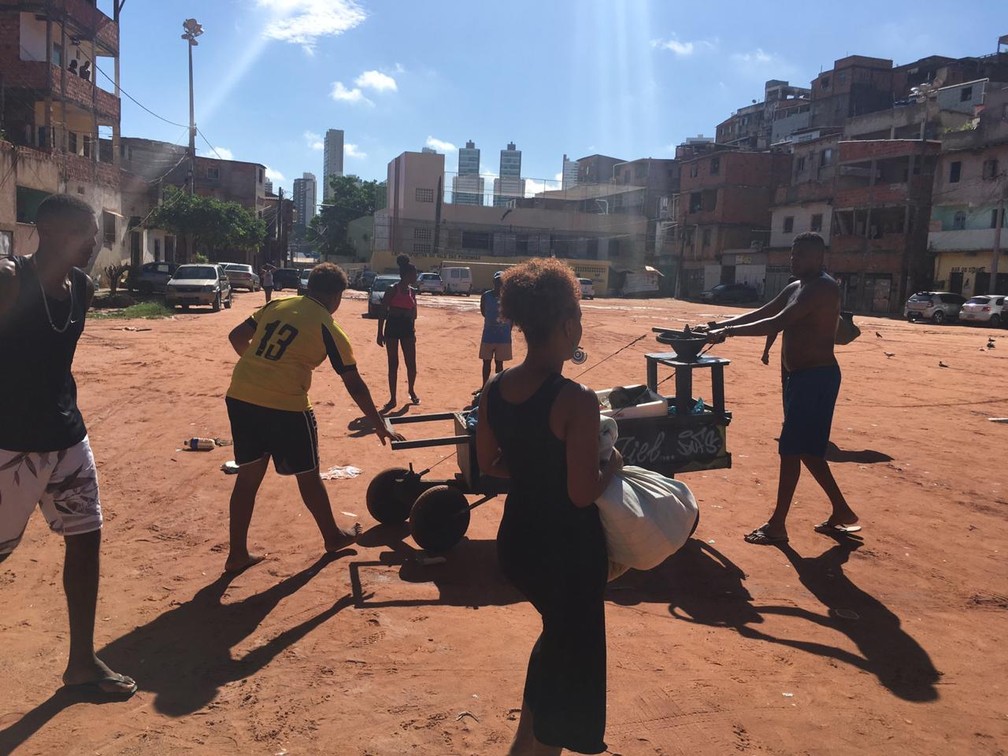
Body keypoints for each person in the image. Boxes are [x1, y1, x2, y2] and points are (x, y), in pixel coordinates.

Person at [476, 258, 623, 755]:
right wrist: (615, 468)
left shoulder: (494, 389)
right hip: (567, 553)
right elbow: (582, 493)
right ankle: (535, 747)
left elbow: (490, 464)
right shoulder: (576, 399)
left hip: (519, 543)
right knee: (569, 657)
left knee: (556, 638)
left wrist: (538, 470)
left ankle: (526, 741)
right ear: (567, 324)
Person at [0, 194, 136, 696]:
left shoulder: (81, 287)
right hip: (8, 443)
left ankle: (81, 661)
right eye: (85, 231)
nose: (95, 241)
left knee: (86, 537)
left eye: (96, 232)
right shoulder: (10, 279)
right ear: (49, 231)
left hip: (66, 437)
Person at [224, 263, 399, 573]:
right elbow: (353, 382)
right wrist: (377, 422)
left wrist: (259, 367)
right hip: (286, 407)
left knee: (248, 478)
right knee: (308, 474)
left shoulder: (278, 304)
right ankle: (332, 536)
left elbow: (237, 336)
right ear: (336, 296)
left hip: (241, 395)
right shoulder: (327, 326)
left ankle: (237, 553)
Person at [703, 233, 859, 545]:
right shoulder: (796, 286)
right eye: (792, 255)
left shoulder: (823, 287)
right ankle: (842, 511)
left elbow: (779, 320)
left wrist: (729, 332)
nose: (794, 260)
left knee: (791, 448)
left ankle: (778, 524)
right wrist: (719, 326)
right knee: (807, 450)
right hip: (797, 378)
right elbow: (763, 311)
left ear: (818, 258)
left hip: (816, 378)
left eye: (801, 255)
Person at [376, 254, 420, 410]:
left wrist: (412, 327)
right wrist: (379, 333)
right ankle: (393, 398)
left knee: (411, 364)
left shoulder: (412, 291)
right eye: (414, 274)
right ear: (407, 275)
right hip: (393, 327)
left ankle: (411, 391)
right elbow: (383, 311)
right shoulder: (392, 289)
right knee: (393, 364)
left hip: (407, 328)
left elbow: (415, 313)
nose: (416, 276)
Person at [479, 271, 514, 387]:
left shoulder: (509, 298)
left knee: (499, 364)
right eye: (497, 282)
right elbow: (484, 312)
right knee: (486, 362)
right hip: (488, 335)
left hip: (503, 337)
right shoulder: (486, 296)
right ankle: (484, 386)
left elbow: (512, 316)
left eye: (502, 282)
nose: (499, 285)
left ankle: (496, 387)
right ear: (493, 282)